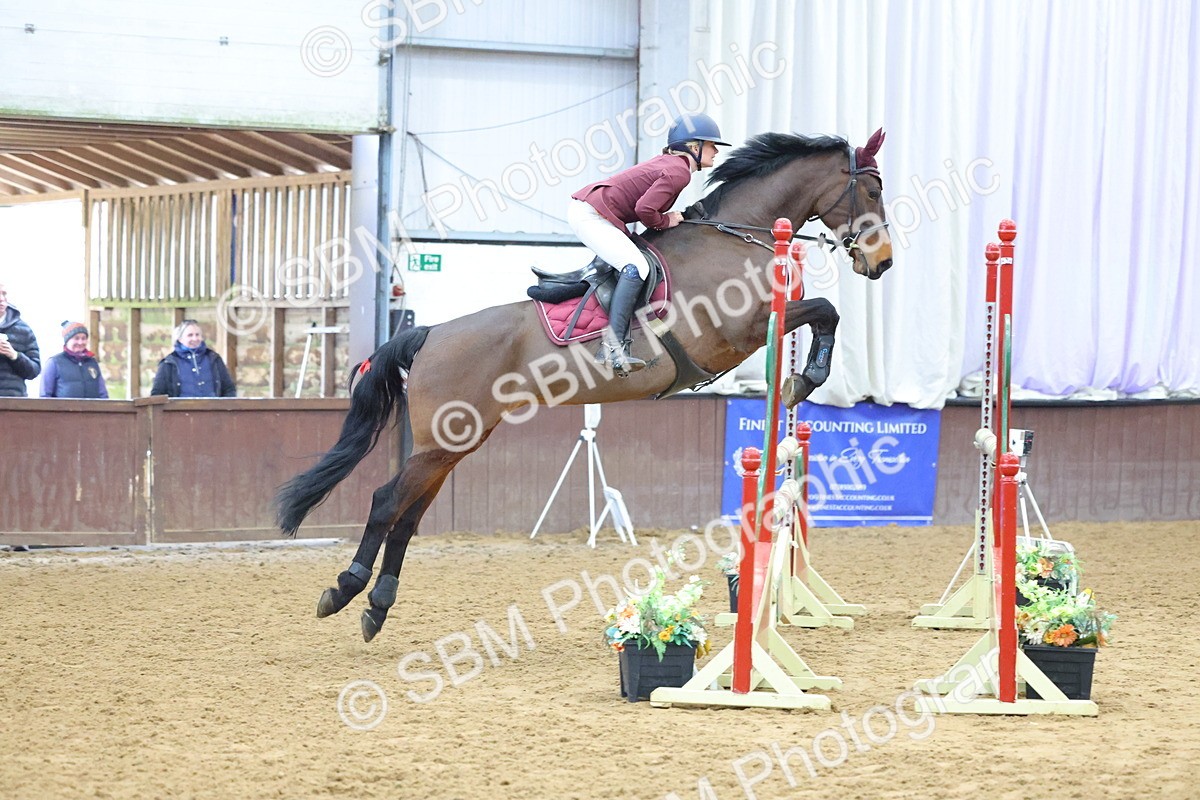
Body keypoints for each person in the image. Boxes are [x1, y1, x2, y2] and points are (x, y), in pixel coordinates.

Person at [568, 112, 730, 375]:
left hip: (593, 211)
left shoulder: (673, 165)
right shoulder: (680, 171)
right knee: (636, 267)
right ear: (693, 147)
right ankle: (613, 347)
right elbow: (645, 210)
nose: (715, 151)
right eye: (711, 145)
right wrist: (665, 221)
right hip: (590, 214)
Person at [150, 319, 236, 398]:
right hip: (180, 413)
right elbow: (157, 394)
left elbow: (229, 388)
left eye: (197, 335)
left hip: (213, 412)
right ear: (180, 339)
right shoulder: (169, 363)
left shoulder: (214, 359)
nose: (195, 338)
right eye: (190, 335)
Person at [41, 321, 109, 398]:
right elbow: (45, 396)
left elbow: (103, 394)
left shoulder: (92, 363)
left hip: (91, 409)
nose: (80, 342)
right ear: (67, 341)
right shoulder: (54, 363)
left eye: (83, 338)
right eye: (76, 338)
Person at [0, 282, 42, 397]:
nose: (1, 299)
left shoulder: (23, 330)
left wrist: (14, 355)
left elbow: (34, 371)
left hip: (13, 403)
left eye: (4, 294)